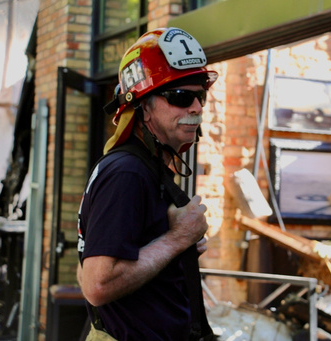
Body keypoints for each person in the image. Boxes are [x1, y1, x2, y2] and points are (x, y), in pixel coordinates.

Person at [76, 27, 218, 341]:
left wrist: (173, 246)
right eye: (181, 96)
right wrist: (177, 240)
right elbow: (96, 285)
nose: (196, 107)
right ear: (142, 106)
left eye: (200, 96)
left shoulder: (144, 168)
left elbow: (87, 264)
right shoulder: (127, 173)